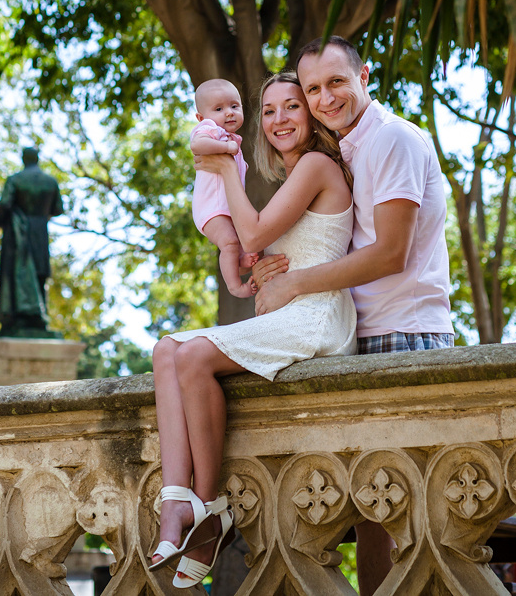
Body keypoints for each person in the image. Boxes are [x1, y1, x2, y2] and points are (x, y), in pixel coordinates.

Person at [252, 36, 454, 596]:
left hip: (403, 336)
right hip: (363, 336)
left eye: (336, 82)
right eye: (312, 88)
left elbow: (391, 252)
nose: (324, 97)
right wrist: (275, 267)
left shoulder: (391, 140)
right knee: (372, 513)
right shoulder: (349, 148)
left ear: (364, 75)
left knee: (407, 514)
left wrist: (294, 283)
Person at [149, 72, 357, 588]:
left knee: (193, 354)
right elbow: (271, 244)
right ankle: (177, 503)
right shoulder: (293, 178)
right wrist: (263, 266)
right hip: (291, 308)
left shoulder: (315, 164)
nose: (280, 118)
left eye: (292, 106)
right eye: (269, 111)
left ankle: (211, 509)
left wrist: (222, 169)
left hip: (319, 315)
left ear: (310, 114)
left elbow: (254, 230)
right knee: (164, 350)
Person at [190, 78, 259, 298]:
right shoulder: (210, 129)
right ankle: (235, 287)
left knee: (237, 239)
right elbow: (197, 144)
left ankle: (239, 260)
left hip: (225, 208)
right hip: (210, 208)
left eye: (234, 106)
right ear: (201, 118)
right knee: (228, 241)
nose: (228, 112)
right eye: (219, 108)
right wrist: (225, 147)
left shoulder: (232, 139)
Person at [0, 147, 64, 337]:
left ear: (24, 158)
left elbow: (5, 203)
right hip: (40, 230)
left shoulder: (15, 180)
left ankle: (21, 319)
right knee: (39, 274)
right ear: (38, 158)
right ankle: (41, 317)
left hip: (19, 234)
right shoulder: (50, 181)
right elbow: (58, 209)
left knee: (19, 275)